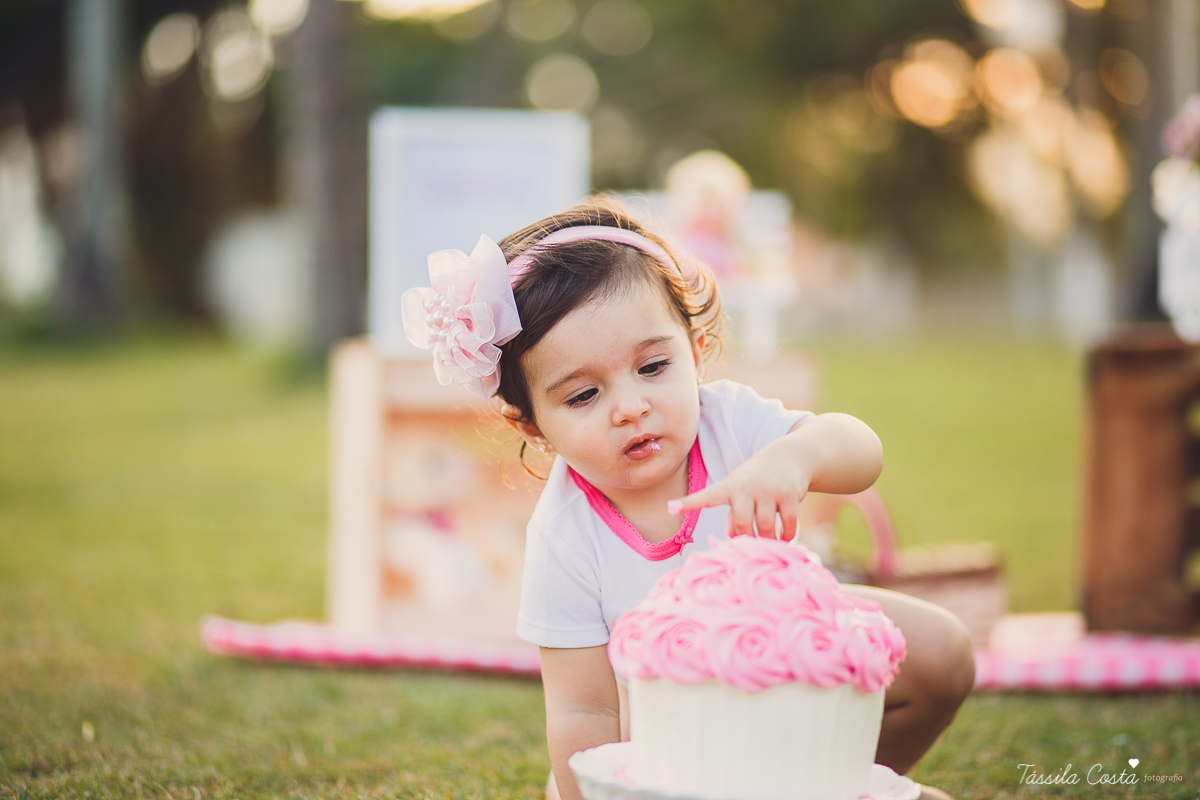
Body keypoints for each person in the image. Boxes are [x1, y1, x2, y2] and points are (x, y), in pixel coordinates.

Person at [402, 197, 975, 800]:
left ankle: (828, 784)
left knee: (940, 650)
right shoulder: (563, 536)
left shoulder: (728, 422)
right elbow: (583, 714)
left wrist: (795, 457)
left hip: (788, 674)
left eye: (652, 366)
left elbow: (862, 453)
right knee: (582, 766)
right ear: (535, 428)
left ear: (695, 350)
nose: (630, 406)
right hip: (675, 747)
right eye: (583, 396)